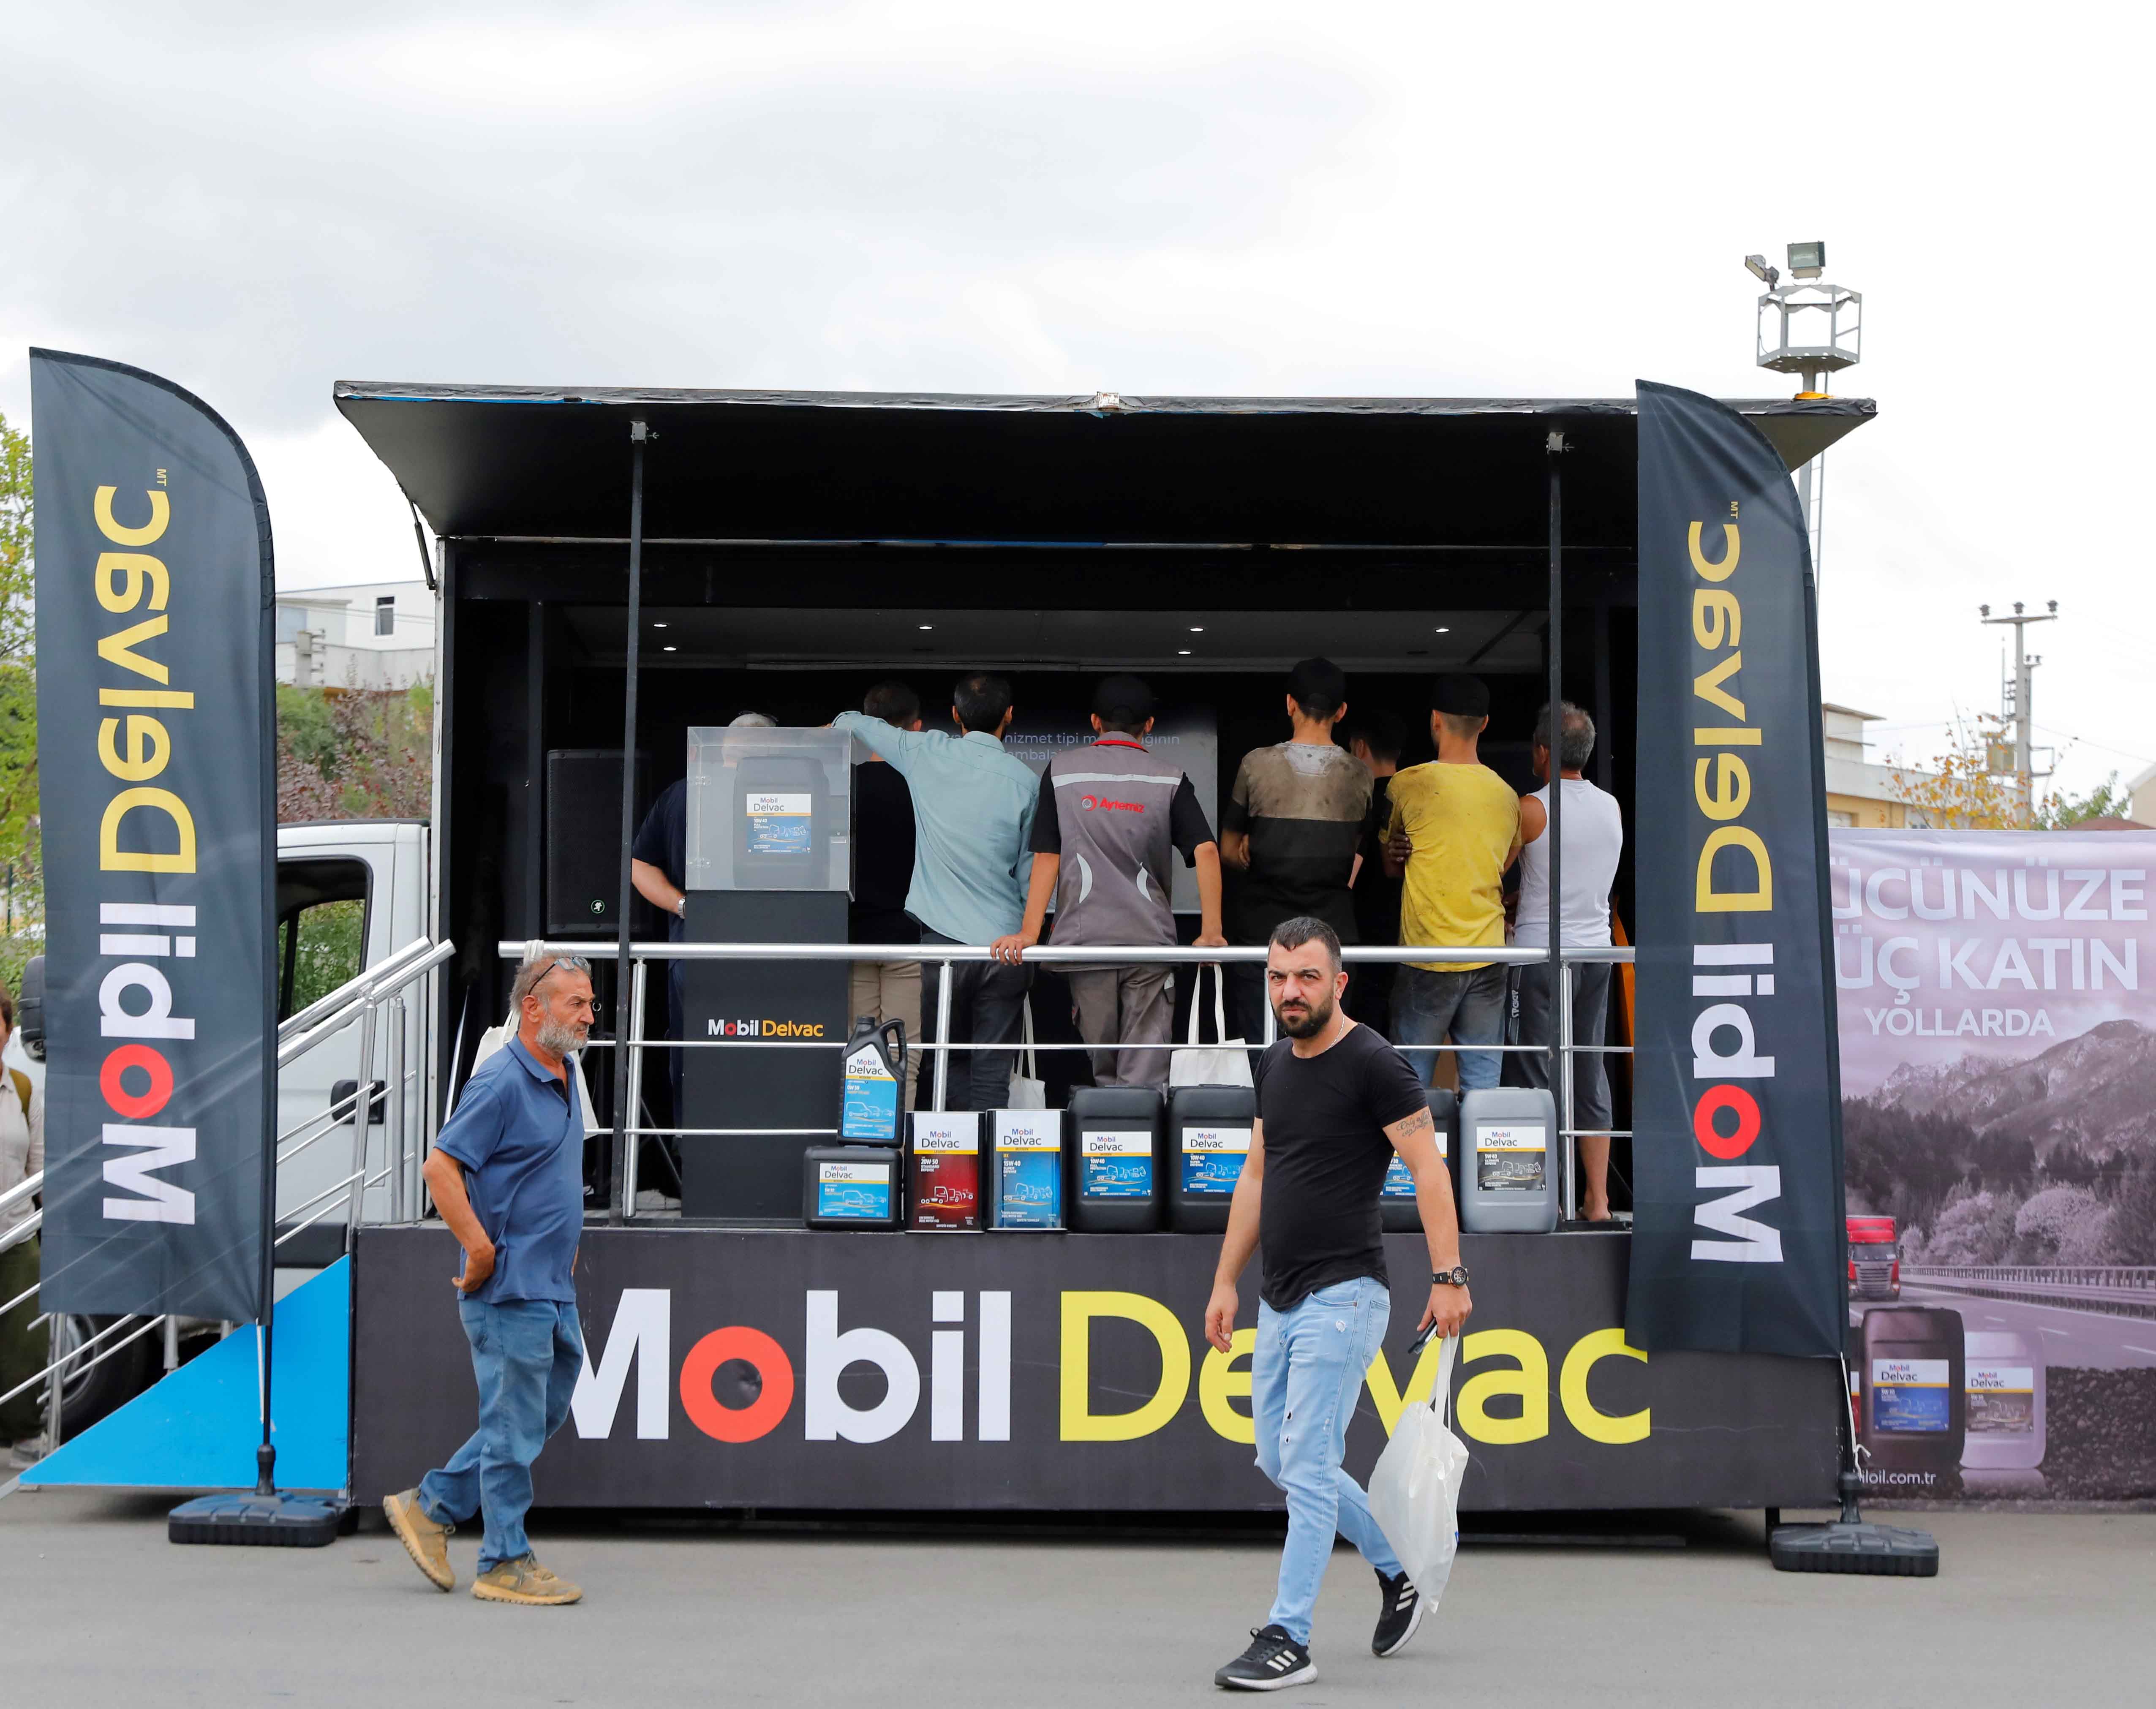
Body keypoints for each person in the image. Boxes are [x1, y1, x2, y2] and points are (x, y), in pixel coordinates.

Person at [1203, 918, 1471, 1690]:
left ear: (1339, 982)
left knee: (1311, 1465)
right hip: (1279, 1297)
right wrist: (1225, 1279)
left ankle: (1289, 1636)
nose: (1290, 991)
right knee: (1280, 1459)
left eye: (1307, 977)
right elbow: (1256, 1174)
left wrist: (1449, 1275)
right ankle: (1396, 1568)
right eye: (1278, 977)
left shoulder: (1375, 1064)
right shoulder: (1273, 1063)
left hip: (1345, 1296)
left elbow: (1427, 1168)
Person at [383, 953, 596, 1606]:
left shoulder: (565, 1072)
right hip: (509, 1288)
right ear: (533, 1007)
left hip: (551, 1283)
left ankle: (433, 1505)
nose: (590, 1015)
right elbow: (440, 1168)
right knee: (512, 1425)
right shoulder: (500, 1080)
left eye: (591, 1003)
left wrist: (566, 1243)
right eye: (577, 1003)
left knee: (537, 1413)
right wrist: (477, 1248)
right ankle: (503, 1559)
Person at [991, 674, 1226, 1086]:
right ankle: (1137, 1128)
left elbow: (1047, 856)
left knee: (1104, 1070)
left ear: (1095, 721)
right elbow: (1206, 850)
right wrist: (1211, 933)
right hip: (1148, 946)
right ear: (1149, 725)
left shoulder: (1061, 773)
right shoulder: (1169, 777)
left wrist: (1029, 933)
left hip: (1087, 947)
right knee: (1145, 1073)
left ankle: (1109, 1125)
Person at [835, 673, 1037, 1109]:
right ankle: (987, 1155)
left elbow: (851, 720)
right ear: (1009, 715)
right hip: (1004, 946)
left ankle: (949, 1155)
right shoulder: (1025, 780)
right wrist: (1030, 932)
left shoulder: (926, 752)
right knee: (992, 1072)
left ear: (955, 715)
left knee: (948, 1065)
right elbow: (1031, 872)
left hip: (942, 948)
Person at [630, 712, 778, 1178]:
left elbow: (639, 865)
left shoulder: (683, 793)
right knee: (762, 1058)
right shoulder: (784, 795)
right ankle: (761, 1164)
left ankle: (697, 1167)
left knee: (696, 1058)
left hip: (695, 952)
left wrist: (682, 906)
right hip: (768, 955)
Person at [1507, 702, 1625, 1220]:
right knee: (1588, 1067)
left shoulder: (1531, 807)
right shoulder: (1610, 806)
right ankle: (1597, 1200)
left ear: (1542, 751)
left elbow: (1496, 871)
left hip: (1540, 955)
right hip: (1596, 951)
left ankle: (1547, 1196)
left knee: (1535, 1072)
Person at [1220, 658, 1371, 1047]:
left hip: (1263, 935)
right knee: (1331, 1049)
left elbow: (1228, 850)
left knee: (1265, 1051)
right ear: (1342, 711)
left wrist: (1253, 848)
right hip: (1333, 936)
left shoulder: (1256, 765)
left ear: (1290, 704)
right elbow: (1356, 851)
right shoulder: (1359, 774)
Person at [1383, 674, 1520, 1092]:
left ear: (1435, 720)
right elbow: (1502, 866)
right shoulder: (1507, 795)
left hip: (1427, 955)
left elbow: (1391, 866)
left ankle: (1421, 1143)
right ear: (1485, 723)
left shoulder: (1407, 784)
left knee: (1410, 1087)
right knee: (1483, 1085)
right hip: (1488, 953)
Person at [849, 681, 924, 1109]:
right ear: (916, 727)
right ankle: (899, 1147)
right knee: (902, 1056)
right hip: (909, 938)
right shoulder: (925, 789)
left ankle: (862, 1143)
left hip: (853, 938)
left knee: (857, 1052)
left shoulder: (845, 784)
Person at [0, 983, 46, 1456]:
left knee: (24, 1343)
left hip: (14, 1234)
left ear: (8, 1029)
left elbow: (39, 1167)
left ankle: (24, 1433)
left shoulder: (25, 1089)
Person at [1344, 710, 1408, 1028]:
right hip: (1408, 930)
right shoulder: (1413, 798)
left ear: (1359, 748)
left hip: (1362, 930)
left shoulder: (1357, 801)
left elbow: (1348, 873)